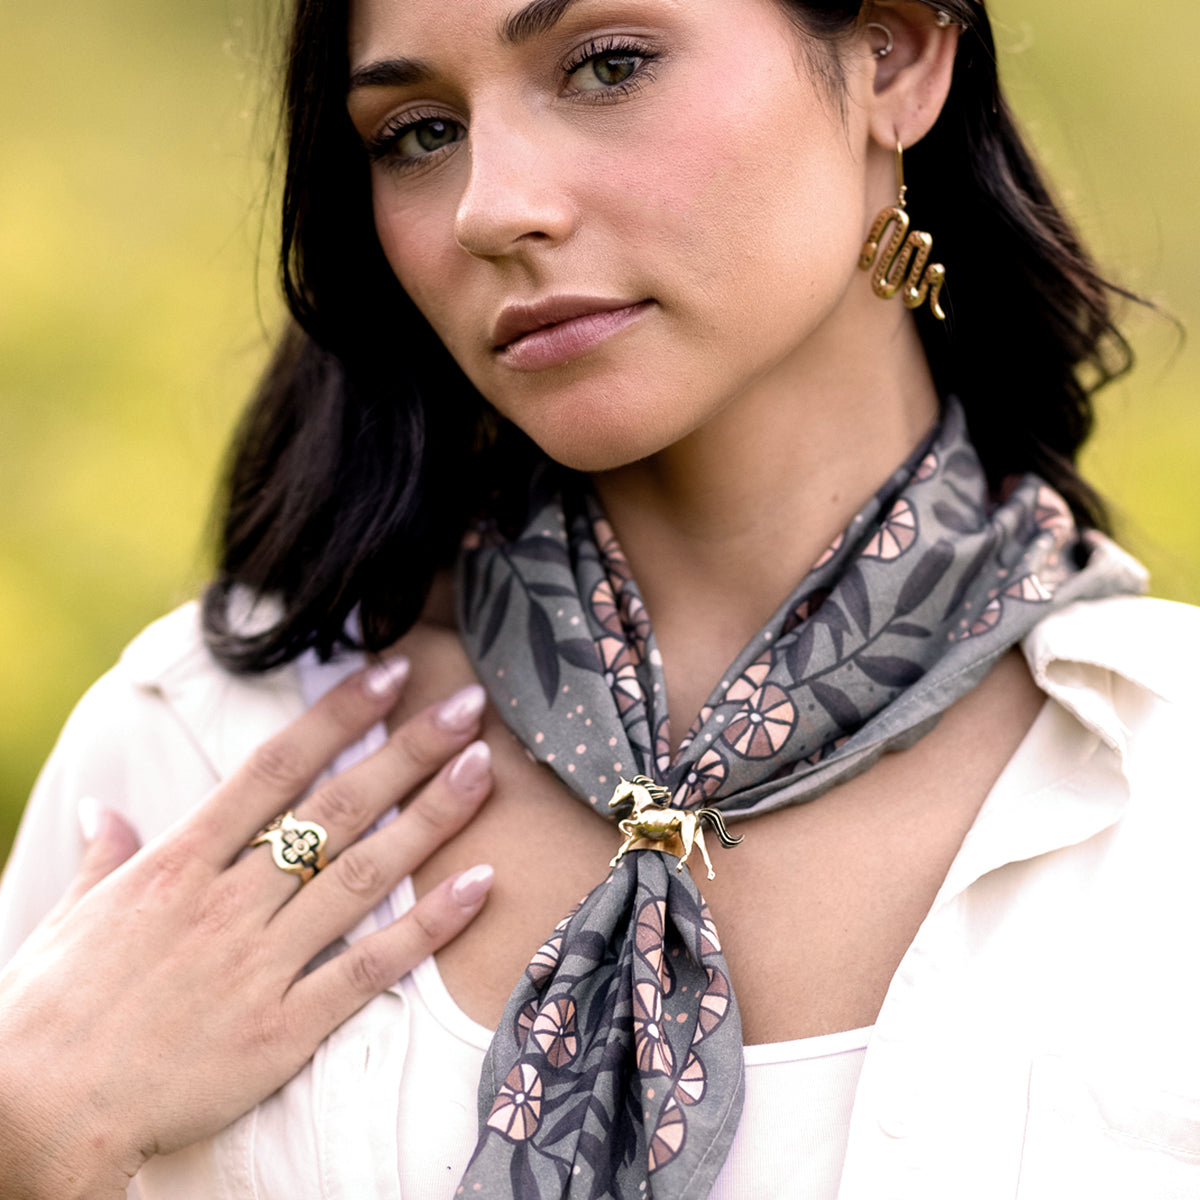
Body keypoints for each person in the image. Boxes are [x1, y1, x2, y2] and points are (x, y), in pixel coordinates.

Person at [0, 0, 1197, 1197]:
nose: (489, 207)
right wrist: (32, 1136)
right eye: (417, 133)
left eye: (608, 65)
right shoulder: (194, 755)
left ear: (897, 56)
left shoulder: (1164, 789)